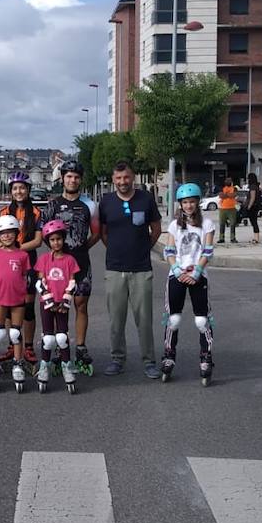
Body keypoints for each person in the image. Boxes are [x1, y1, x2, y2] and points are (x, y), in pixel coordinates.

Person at [98, 161, 162, 378]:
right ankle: (117, 359)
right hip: (114, 269)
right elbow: (104, 233)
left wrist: (143, 248)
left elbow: (156, 229)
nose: (122, 182)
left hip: (141, 269)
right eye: (118, 178)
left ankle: (149, 361)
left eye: (126, 177)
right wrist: (117, 250)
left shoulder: (146, 199)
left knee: (144, 319)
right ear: (113, 179)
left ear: (132, 177)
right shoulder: (106, 202)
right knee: (116, 319)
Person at [43, 159, 99, 375]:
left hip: (81, 263)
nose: (72, 180)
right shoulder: (52, 205)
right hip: (57, 266)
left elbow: (95, 233)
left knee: (81, 305)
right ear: (63, 178)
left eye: (76, 177)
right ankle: (60, 345)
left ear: (80, 180)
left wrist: (82, 249)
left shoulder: (90, 205)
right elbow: (44, 234)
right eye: (68, 176)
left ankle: (81, 347)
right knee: (58, 306)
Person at [160, 183, 215, 385]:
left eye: (192, 201)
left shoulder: (207, 224)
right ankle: (168, 355)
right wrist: (176, 270)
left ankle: (206, 357)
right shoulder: (174, 225)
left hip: (198, 275)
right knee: (173, 319)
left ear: (197, 202)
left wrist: (197, 271)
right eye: (185, 202)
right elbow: (168, 251)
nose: (189, 205)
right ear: (180, 204)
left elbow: (208, 251)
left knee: (202, 320)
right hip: (177, 275)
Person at [0, 171, 44, 368]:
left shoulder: (37, 212)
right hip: (5, 262)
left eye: (22, 188)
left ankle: (27, 346)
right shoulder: (3, 212)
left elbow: (38, 241)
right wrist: (6, 251)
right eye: (15, 188)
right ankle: (13, 345)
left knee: (27, 307)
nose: (19, 191)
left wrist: (16, 250)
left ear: (28, 190)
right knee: (6, 306)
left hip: (27, 260)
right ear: (11, 191)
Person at [0, 214, 32, 391]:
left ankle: (18, 363)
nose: (7, 236)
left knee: (15, 333)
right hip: (0, 299)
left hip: (18, 299)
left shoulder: (22, 255)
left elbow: (25, 277)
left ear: (16, 234)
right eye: (3, 233)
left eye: (10, 233)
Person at [34, 220, 81, 393]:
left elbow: (72, 282)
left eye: (59, 239)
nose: (56, 242)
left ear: (63, 239)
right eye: (52, 240)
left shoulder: (70, 260)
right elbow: (40, 282)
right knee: (48, 338)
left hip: (62, 304)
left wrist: (66, 300)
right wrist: (48, 300)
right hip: (47, 303)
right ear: (48, 241)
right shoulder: (44, 259)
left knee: (62, 337)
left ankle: (67, 366)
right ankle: (44, 366)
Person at [240, 172, 262, 245]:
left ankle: (256, 238)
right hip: (256, 206)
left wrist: (249, 206)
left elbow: (252, 197)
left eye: (248, 178)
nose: (247, 180)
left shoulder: (252, 187)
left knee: (254, 222)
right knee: (254, 222)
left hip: (253, 206)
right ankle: (256, 238)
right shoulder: (257, 186)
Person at [217, 178, 238, 245]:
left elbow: (234, 195)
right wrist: (229, 195)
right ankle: (221, 238)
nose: (228, 182)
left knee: (232, 224)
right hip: (222, 208)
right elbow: (221, 196)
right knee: (222, 224)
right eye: (227, 181)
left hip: (232, 208)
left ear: (231, 182)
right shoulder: (222, 188)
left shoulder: (234, 188)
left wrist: (225, 195)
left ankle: (232, 238)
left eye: (229, 181)